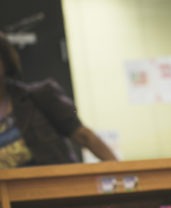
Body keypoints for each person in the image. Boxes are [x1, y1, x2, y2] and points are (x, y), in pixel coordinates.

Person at [0, 32, 116, 167]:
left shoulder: (40, 95)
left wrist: (122, 173)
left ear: (6, 62)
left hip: (54, 184)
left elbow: (84, 137)